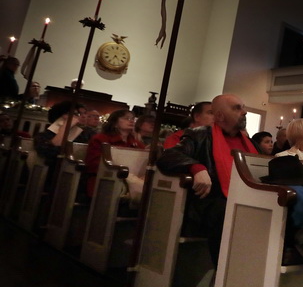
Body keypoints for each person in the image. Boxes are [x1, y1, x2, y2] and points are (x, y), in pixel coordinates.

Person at [156, 94, 258, 266]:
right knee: (228, 211)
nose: (244, 112)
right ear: (219, 116)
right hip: (210, 201)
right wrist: (196, 167)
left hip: (244, 198)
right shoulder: (199, 135)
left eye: (243, 107)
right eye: (237, 108)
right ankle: (227, 273)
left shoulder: (249, 142)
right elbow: (168, 156)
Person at [84, 109, 146, 200]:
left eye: (133, 118)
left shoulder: (136, 143)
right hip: (105, 179)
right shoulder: (100, 139)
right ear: (115, 122)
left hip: (131, 180)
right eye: (126, 118)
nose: (131, 121)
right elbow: (93, 164)